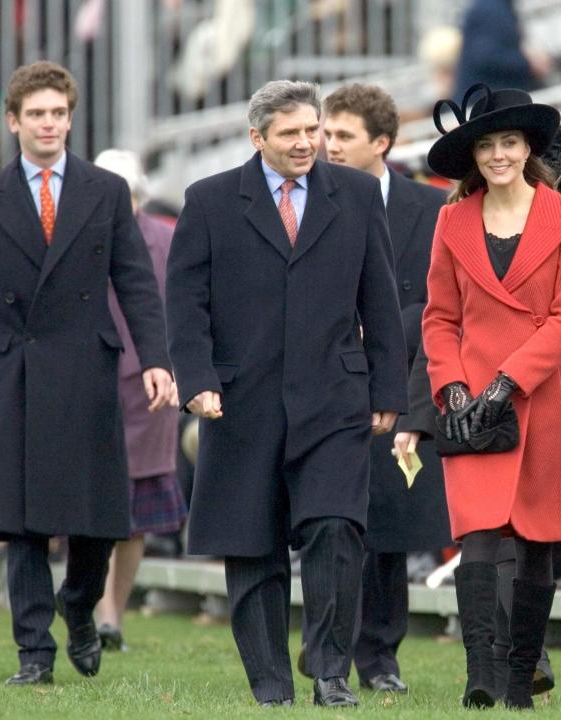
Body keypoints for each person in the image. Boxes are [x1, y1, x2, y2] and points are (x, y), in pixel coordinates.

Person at [165, 80, 407, 708]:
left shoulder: (354, 194)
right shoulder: (210, 200)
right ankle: (271, 684)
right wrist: (196, 382)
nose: (307, 144)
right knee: (254, 543)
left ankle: (330, 671)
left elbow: (378, 298)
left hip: (335, 396)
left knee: (336, 527)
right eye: (291, 133)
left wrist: (388, 388)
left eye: (313, 131)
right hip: (240, 401)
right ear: (257, 138)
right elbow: (185, 306)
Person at [0, 61, 173, 685]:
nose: (49, 123)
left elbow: (136, 281)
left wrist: (159, 360)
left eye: (58, 112)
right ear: (14, 121)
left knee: (98, 515)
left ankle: (81, 606)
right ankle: (34, 653)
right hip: (16, 368)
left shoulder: (105, 191)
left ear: (70, 117)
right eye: (36, 113)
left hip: (89, 364)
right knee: (19, 520)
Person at [422, 84, 561, 710]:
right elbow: (439, 317)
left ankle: (521, 678)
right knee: (476, 534)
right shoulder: (452, 219)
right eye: (486, 145)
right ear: (472, 156)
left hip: (541, 397)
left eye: (509, 142)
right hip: (471, 401)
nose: (498, 154)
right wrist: (453, 386)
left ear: (528, 147)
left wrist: (508, 383)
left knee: (535, 541)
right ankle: (481, 674)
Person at [315, 82, 450, 694]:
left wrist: (382, 325)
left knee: (391, 527)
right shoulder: (308, 198)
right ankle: (328, 655)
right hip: (328, 380)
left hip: (404, 379)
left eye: (343, 135)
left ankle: (381, 657)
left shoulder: (431, 207)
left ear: (383, 143)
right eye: (326, 134)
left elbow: (440, 296)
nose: (329, 146)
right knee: (333, 525)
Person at [93, 149, 186, 651]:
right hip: (88, 385)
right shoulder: (75, 236)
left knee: (136, 515)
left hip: (151, 389)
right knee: (91, 507)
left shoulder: (167, 239)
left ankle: (113, 615)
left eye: (124, 193)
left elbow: (184, 307)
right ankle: (93, 609)